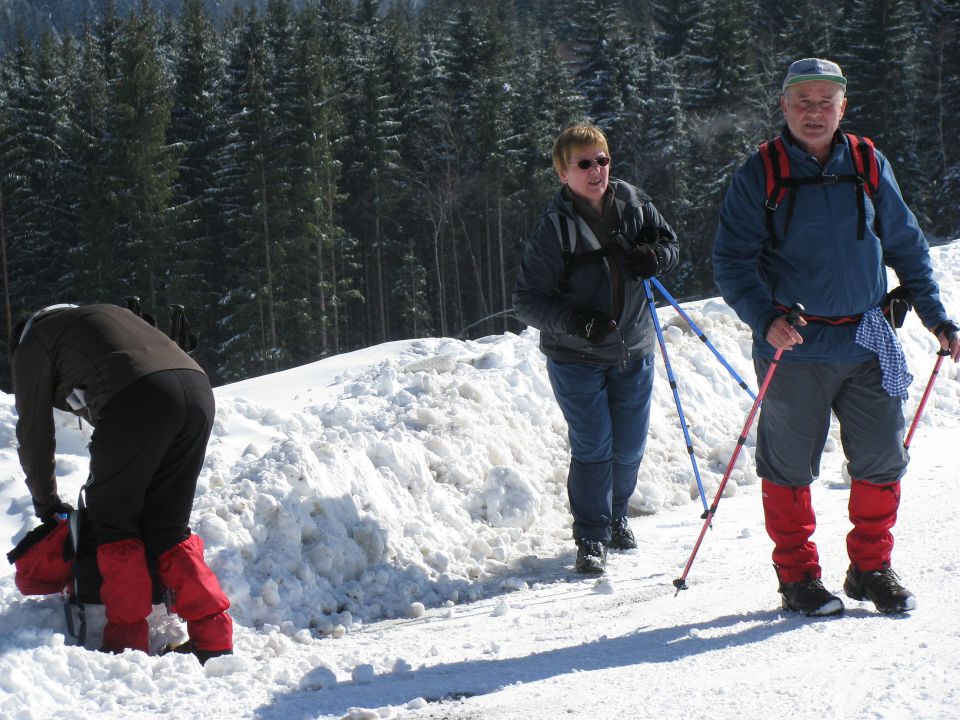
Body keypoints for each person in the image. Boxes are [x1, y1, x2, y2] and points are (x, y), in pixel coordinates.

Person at [713, 58, 960, 616]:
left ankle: (869, 567)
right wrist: (764, 317)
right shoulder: (762, 172)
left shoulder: (868, 162)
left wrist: (938, 319)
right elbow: (730, 261)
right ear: (784, 107)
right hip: (794, 345)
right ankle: (798, 576)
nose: (815, 112)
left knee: (881, 458)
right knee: (788, 467)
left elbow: (907, 247)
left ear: (843, 107)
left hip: (870, 336)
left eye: (826, 101)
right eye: (803, 101)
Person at [9, 303, 234, 662]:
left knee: (113, 526)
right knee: (169, 530)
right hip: (198, 393)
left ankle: (127, 646)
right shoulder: (104, 317)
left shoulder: (33, 341)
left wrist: (47, 503)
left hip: (138, 400)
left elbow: (34, 432)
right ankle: (214, 639)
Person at [513, 122, 680, 574]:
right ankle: (590, 535)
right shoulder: (554, 230)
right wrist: (577, 322)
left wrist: (656, 258)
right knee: (593, 446)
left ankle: (617, 515)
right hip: (576, 358)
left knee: (628, 447)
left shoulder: (632, 201)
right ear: (562, 174)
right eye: (583, 164)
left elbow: (669, 243)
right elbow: (526, 302)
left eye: (602, 160)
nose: (596, 171)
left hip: (635, 347)